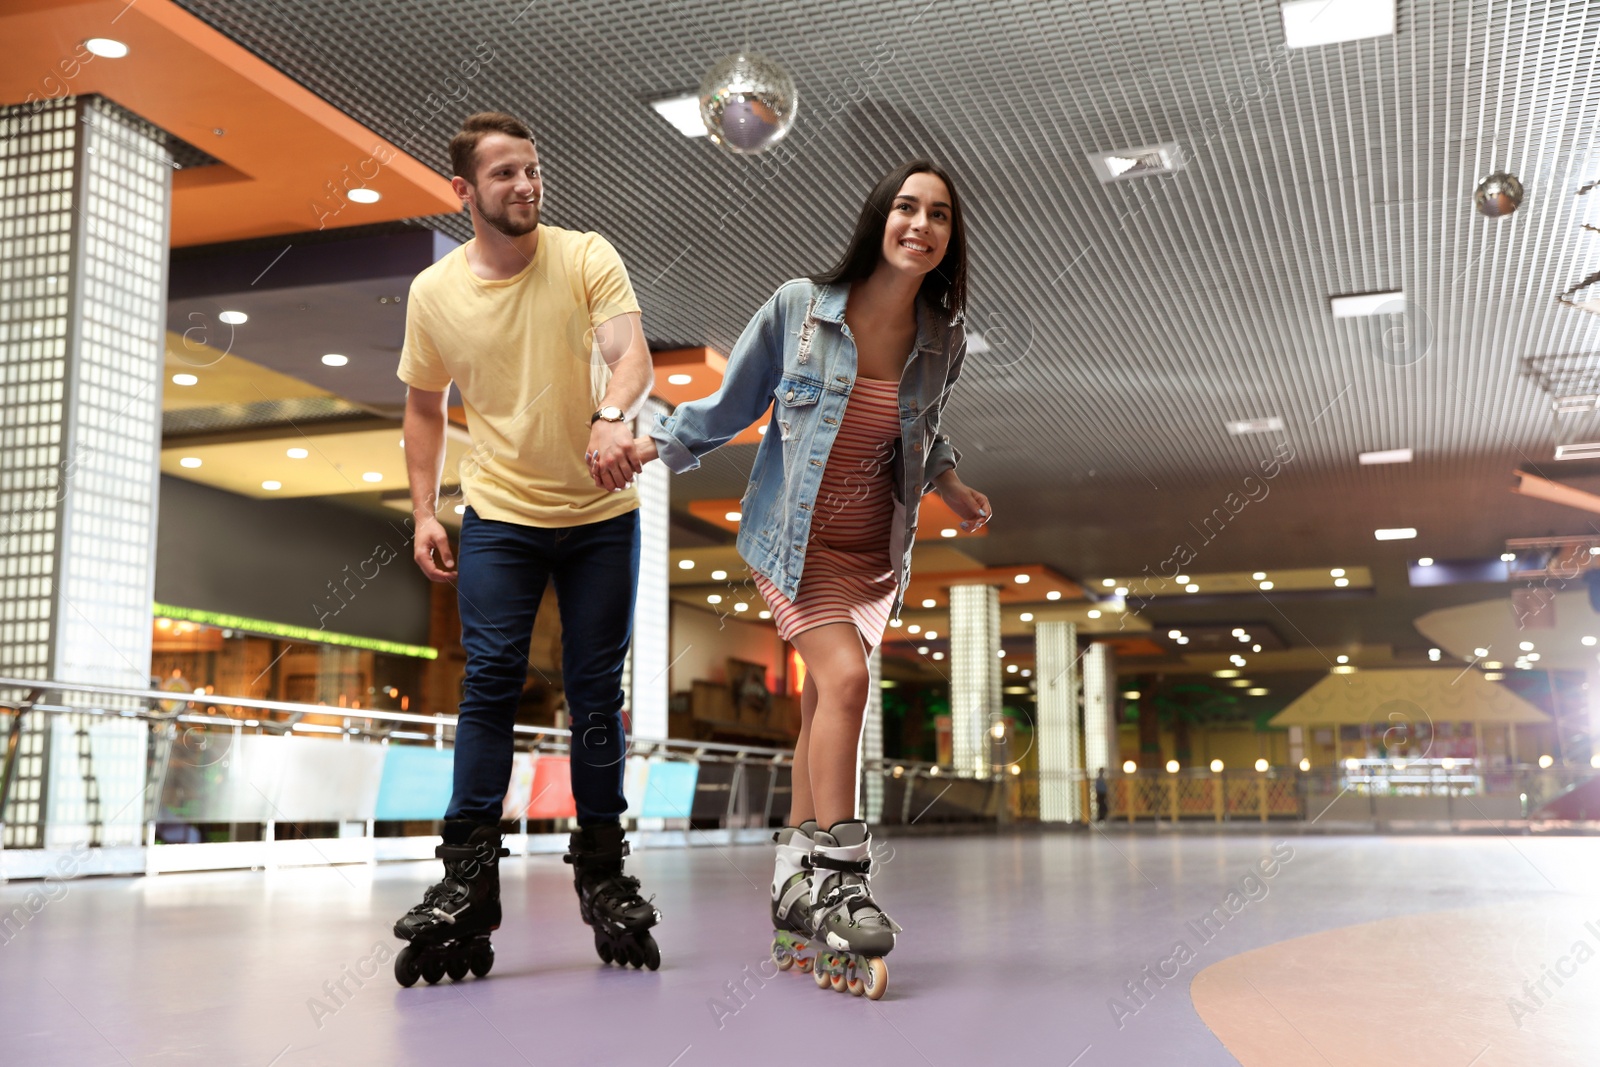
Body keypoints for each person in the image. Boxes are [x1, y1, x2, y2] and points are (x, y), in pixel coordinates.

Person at [623, 159, 991, 999]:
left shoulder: (945, 336)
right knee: (847, 680)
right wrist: (651, 446)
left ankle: (793, 877)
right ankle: (842, 873)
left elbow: (921, 432)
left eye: (938, 214)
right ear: (879, 218)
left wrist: (951, 485)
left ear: (948, 238)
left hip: (873, 559)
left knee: (823, 705)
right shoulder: (799, 308)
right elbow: (731, 405)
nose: (920, 225)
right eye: (906, 207)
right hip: (794, 547)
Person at [390, 111, 661, 986]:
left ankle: (604, 866)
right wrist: (425, 510)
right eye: (504, 174)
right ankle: (467, 876)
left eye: (533, 170)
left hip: (598, 513)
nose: (526, 185)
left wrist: (612, 413)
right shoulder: (434, 294)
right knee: (489, 682)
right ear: (464, 191)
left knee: (593, 688)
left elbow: (631, 355)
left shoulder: (584, 255)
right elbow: (424, 403)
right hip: (500, 512)